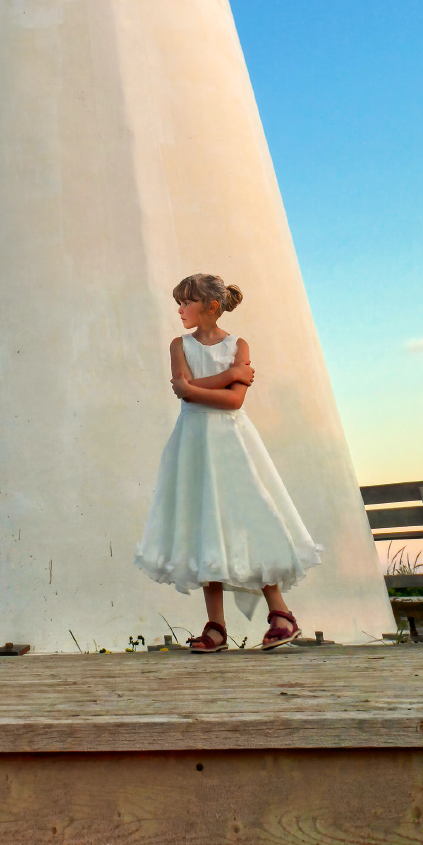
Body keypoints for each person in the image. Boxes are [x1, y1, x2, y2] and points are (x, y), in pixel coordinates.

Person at [135, 272, 322, 653]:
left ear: (211, 306)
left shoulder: (239, 344)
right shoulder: (179, 345)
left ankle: (281, 613)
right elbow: (182, 392)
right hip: (193, 443)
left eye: (186, 301)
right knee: (204, 522)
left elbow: (233, 401)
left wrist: (203, 386)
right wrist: (231, 375)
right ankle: (216, 625)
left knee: (250, 516)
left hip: (231, 443)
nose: (180, 309)